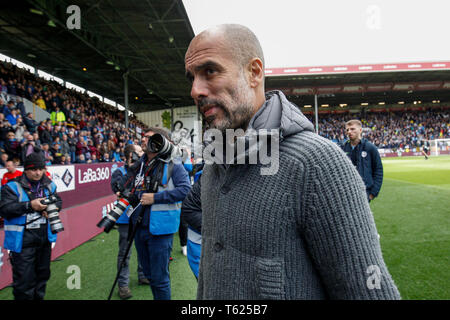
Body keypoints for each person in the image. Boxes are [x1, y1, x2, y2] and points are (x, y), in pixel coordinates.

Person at [184, 24, 400, 299]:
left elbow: (369, 290)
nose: (195, 90)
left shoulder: (318, 164)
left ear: (254, 72)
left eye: (210, 71)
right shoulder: (216, 162)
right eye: (192, 77)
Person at [123, 127, 191, 300]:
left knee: (160, 279)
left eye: (148, 138)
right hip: (138, 226)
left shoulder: (173, 164)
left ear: (160, 142)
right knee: (148, 274)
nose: (143, 140)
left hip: (160, 230)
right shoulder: (140, 164)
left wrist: (156, 198)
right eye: (144, 137)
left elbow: (185, 190)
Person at [0, 150, 62, 300]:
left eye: (41, 169)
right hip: (22, 242)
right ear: (26, 170)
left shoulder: (49, 185)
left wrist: (52, 208)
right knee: (24, 283)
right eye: (34, 169)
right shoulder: (11, 187)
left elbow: (58, 201)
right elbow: (4, 209)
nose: (38, 173)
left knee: (42, 278)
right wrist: (29, 205)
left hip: (44, 239)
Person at [110, 143, 148, 299]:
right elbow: (117, 187)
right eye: (139, 152)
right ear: (130, 155)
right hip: (126, 219)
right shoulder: (119, 171)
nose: (142, 154)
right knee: (125, 253)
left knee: (143, 248)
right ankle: (123, 285)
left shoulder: (145, 169)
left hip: (141, 215)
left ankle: (143, 274)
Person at [341, 120, 384, 202]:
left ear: (360, 130)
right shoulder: (342, 148)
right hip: (347, 193)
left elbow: (378, 170)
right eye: (347, 130)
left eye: (352, 129)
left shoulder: (370, 148)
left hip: (365, 192)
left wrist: (372, 194)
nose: (349, 132)